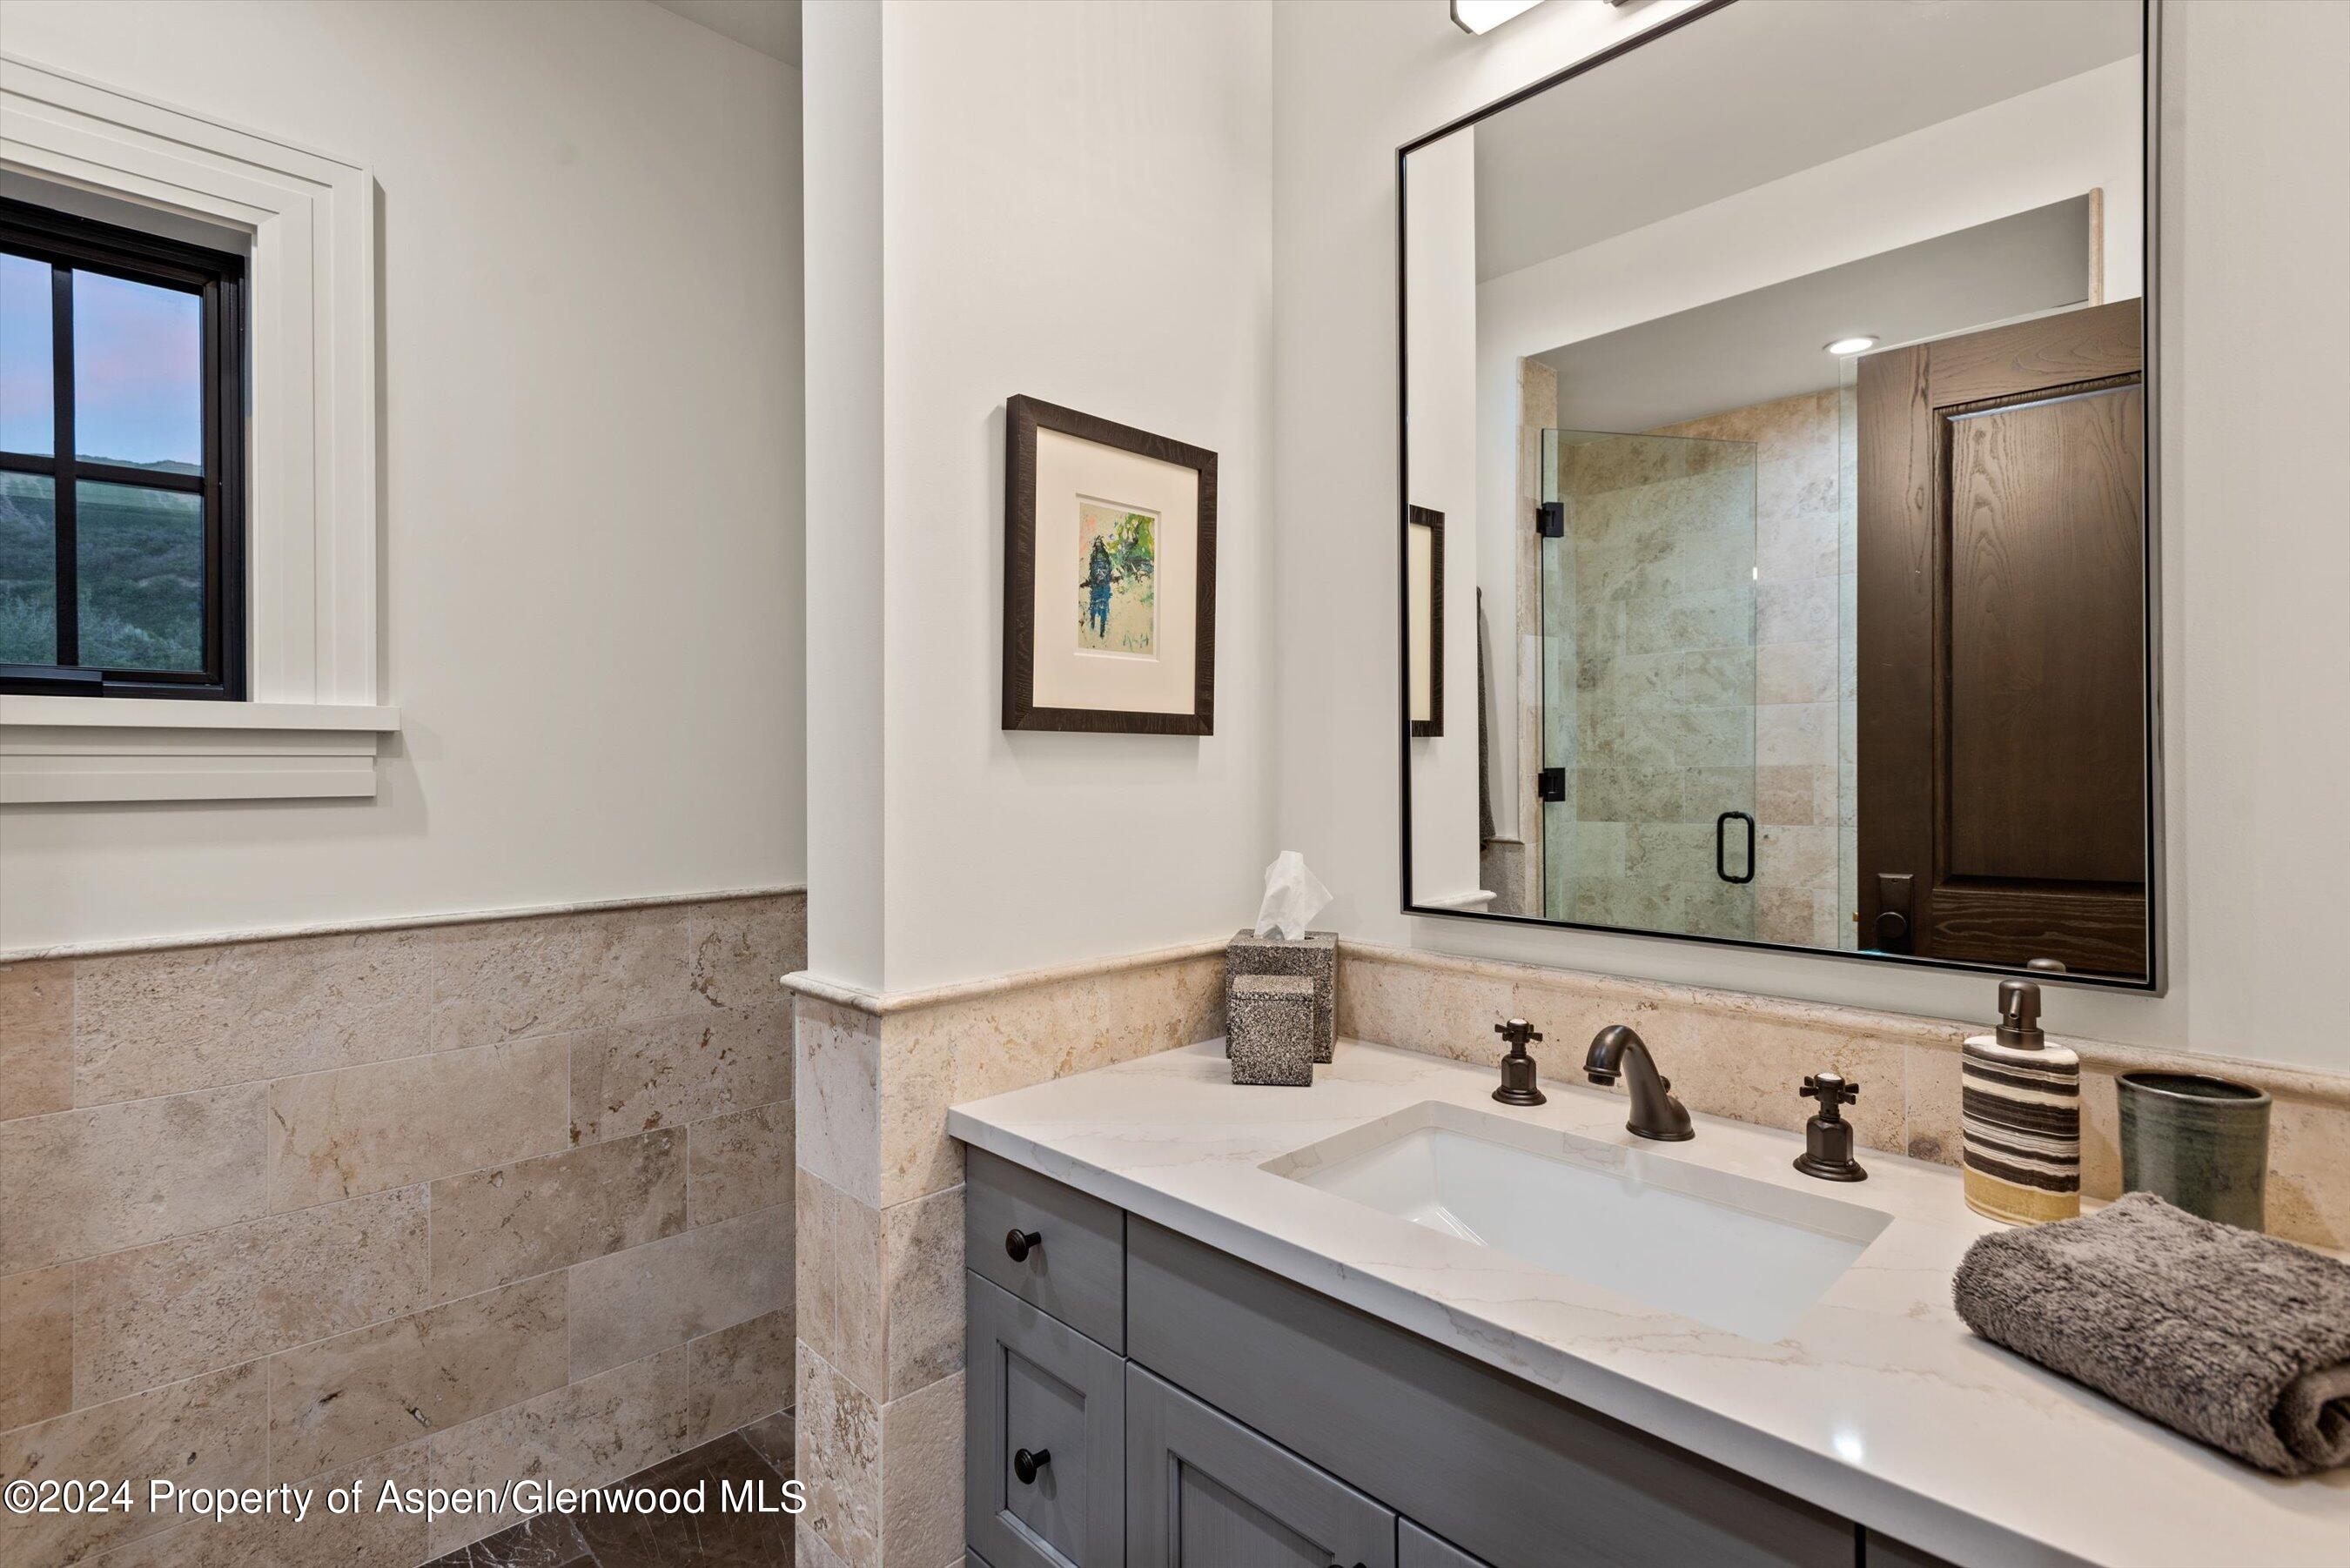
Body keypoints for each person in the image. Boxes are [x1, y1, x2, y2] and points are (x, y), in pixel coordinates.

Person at [1082, 534, 1116, 639]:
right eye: (1097, 544)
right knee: (1094, 607)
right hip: (1096, 587)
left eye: (1099, 544)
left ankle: (1102, 630)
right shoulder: (1094, 556)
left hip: (1104, 587)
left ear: (1101, 545)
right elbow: (1092, 569)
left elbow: (1109, 568)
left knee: (1103, 608)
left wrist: (1104, 576)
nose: (1098, 546)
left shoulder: (1105, 556)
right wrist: (1094, 579)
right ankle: (1092, 626)